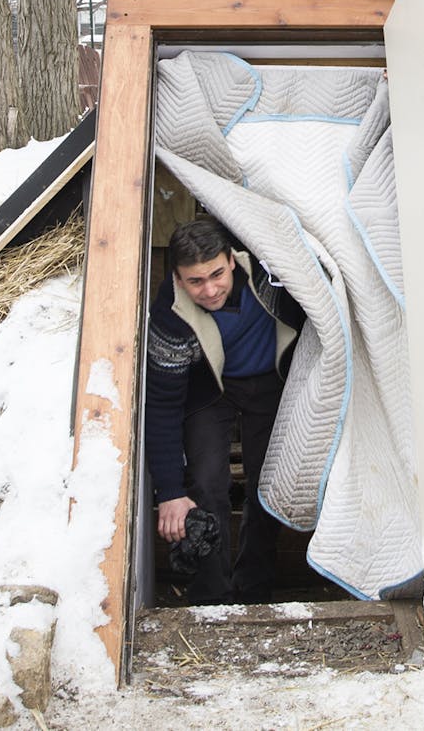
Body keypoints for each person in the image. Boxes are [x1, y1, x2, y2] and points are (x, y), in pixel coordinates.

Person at [144, 217, 303, 605]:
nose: (210, 289)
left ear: (232, 260)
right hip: (209, 390)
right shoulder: (170, 317)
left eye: (217, 274)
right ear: (179, 280)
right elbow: (162, 407)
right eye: (196, 281)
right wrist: (170, 492)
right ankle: (212, 595)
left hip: (269, 379)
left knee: (266, 485)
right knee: (207, 481)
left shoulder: (267, 274)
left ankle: (255, 589)